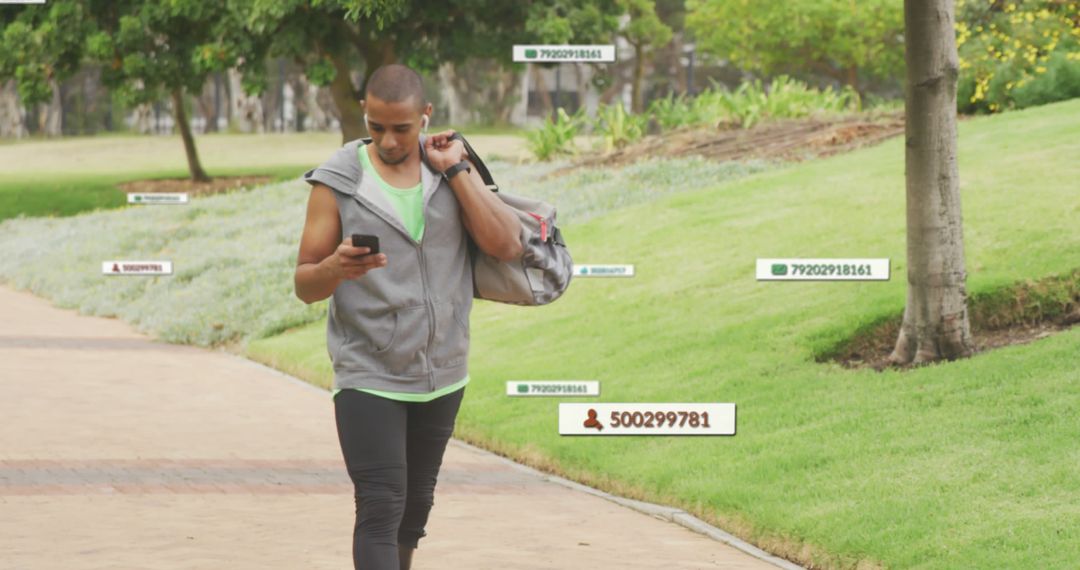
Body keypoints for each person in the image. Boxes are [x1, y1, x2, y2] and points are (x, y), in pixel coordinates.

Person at [293, 64, 522, 569]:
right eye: (376, 126)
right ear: (365, 115)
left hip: (442, 370)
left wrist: (457, 170)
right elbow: (305, 284)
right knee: (380, 504)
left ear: (426, 116)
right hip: (368, 371)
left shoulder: (449, 168)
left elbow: (506, 244)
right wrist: (334, 267)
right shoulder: (337, 181)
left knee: (414, 509)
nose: (389, 140)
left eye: (401, 128)